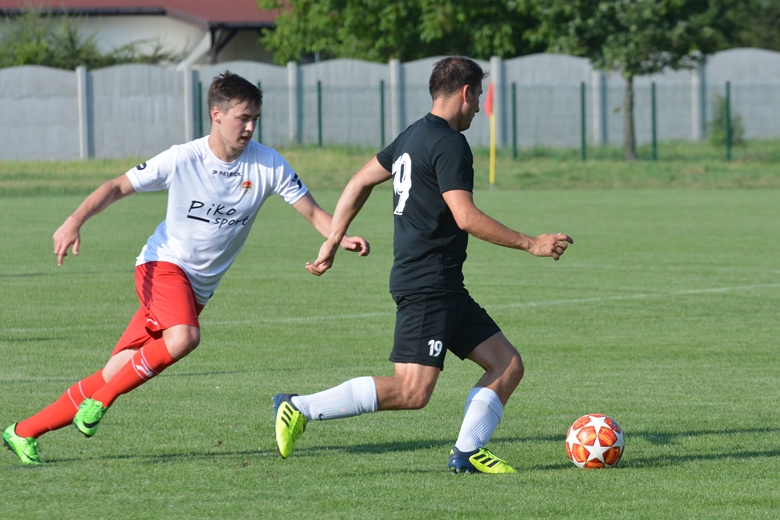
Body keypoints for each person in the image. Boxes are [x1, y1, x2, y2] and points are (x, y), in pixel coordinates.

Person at [3, 71, 369, 465]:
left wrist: (339, 237)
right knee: (183, 339)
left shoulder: (268, 164)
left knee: (116, 370)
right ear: (216, 113)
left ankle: (23, 431)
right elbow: (116, 186)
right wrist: (74, 220)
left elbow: (313, 212)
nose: (249, 127)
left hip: (196, 290)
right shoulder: (184, 158)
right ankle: (101, 402)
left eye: (255, 119)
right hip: (161, 266)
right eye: (242, 118)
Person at [272, 56, 573, 474]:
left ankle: (468, 453)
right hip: (428, 283)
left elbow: (359, 181)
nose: (477, 107)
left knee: (507, 364)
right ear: (466, 93)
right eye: (478, 96)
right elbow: (465, 215)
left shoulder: (411, 135)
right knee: (412, 391)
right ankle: (299, 407)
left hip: (443, 284)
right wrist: (531, 243)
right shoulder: (450, 143)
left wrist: (332, 239)